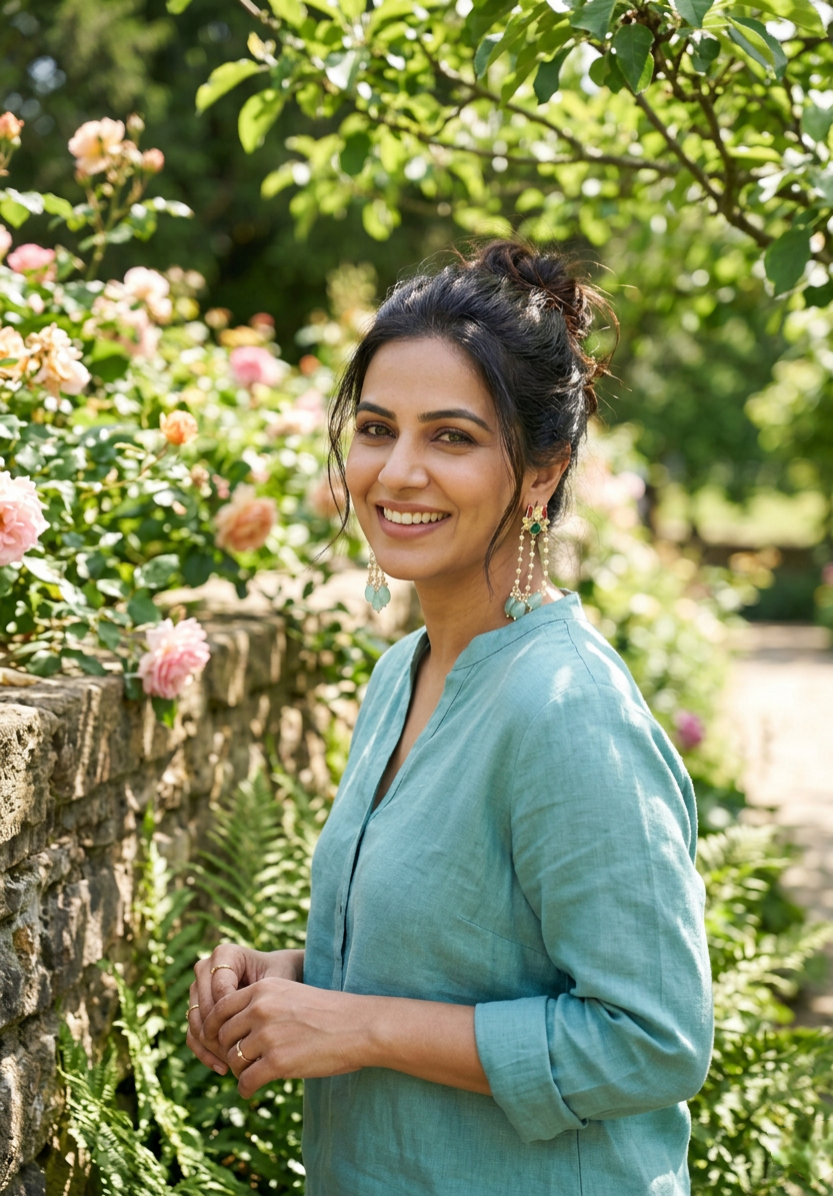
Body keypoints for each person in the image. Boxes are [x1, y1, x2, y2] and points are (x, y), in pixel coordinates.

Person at [187, 240, 714, 1195]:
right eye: (378, 428)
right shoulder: (402, 674)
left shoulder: (567, 708)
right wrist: (288, 984)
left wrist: (361, 1027)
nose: (397, 471)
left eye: (453, 437)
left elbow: (655, 1040)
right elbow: (460, 953)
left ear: (543, 473)